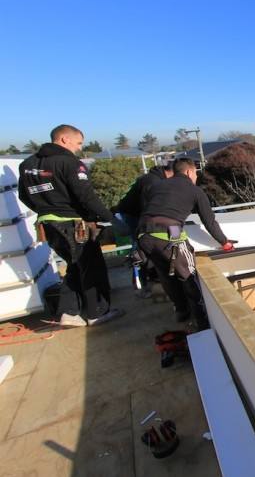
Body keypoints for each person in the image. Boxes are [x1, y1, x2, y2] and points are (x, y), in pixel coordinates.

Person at [18, 124, 126, 326]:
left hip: (48, 225)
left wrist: (46, 209)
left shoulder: (27, 164)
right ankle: (97, 313)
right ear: (64, 139)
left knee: (75, 266)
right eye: (78, 143)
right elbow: (86, 197)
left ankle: (68, 312)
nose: (78, 148)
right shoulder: (70, 163)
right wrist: (110, 218)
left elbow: (24, 196)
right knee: (91, 267)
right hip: (74, 225)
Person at [137, 158, 234, 330]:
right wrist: (224, 242)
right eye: (196, 172)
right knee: (190, 277)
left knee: (167, 275)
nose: (196, 176)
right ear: (189, 172)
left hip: (144, 235)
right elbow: (209, 222)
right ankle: (203, 323)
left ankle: (182, 312)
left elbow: (159, 209)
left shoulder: (157, 186)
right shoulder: (195, 191)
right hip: (169, 233)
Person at [114, 163, 174, 297]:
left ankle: (150, 280)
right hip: (133, 216)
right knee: (141, 249)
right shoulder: (152, 182)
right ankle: (143, 285)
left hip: (135, 214)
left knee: (146, 246)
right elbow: (147, 208)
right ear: (172, 173)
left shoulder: (156, 178)